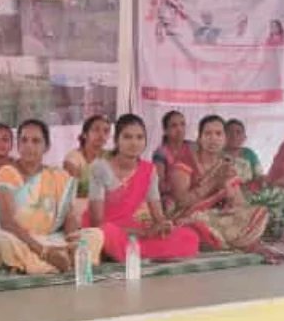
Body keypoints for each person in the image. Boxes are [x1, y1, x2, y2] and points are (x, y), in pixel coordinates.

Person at [0, 119, 103, 274]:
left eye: (36, 141)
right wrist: (44, 251)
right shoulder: (7, 173)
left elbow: (69, 217)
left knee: (95, 235)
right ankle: (57, 262)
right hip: (17, 238)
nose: (29, 146)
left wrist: (72, 243)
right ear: (18, 145)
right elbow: (7, 223)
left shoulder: (58, 176)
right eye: (24, 140)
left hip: (49, 237)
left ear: (47, 146)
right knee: (3, 242)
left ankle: (48, 262)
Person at [85, 114, 199, 262]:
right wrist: (143, 233)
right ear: (116, 140)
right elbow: (97, 222)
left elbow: (158, 216)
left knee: (189, 237)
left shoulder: (149, 170)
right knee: (105, 233)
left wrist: (164, 226)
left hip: (133, 231)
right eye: (127, 137)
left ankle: (127, 252)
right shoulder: (100, 167)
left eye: (139, 137)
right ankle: (129, 251)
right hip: (107, 230)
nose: (134, 143)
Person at [167, 115, 269, 251]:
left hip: (216, 216)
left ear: (224, 139)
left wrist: (233, 203)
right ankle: (221, 239)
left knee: (258, 213)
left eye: (218, 134)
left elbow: (239, 202)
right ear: (200, 138)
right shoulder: (185, 163)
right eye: (208, 133)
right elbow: (182, 202)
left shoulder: (225, 165)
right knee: (198, 221)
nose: (213, 138)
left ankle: (218, 239)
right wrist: (213, 182)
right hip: (188, 216)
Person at [63, 114, 111, 198]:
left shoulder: (110, 157)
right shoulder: (73, 159)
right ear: (85, 134)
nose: (101, 135)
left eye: (106, 131)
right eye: (96, 130)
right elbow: (70, 195)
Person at [152, 110, 195, 201]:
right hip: (170, 197)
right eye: (174, 126)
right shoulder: (160, 153)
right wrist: (179, 183)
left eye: (182, 124)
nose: (179, 129)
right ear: (165, 130)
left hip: (193, 193)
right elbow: (160, 185)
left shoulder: (193, 147)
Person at [224, 119, 265, 186]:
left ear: (244, 137)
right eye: (230, 132)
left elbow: (259, 176)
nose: (234, 136)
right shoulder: (218, 155)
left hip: (249, 192)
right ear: (223, 136)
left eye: (238, 132)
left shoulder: (250, 154)